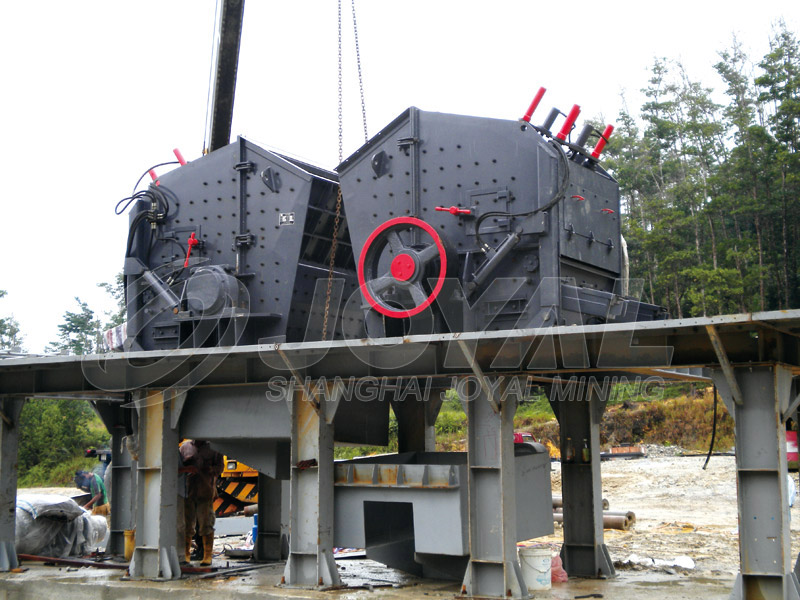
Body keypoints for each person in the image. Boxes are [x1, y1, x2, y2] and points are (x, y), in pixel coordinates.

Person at [179, 439, 223, 566]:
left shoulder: (214, 449)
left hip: (205, 492)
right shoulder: (184, 448)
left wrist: (210, 469)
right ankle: (185, 554)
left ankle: (207, 556)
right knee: (186, 525)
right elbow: (177, 467)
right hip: (188, 492)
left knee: (206, 523)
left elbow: (220, 468)